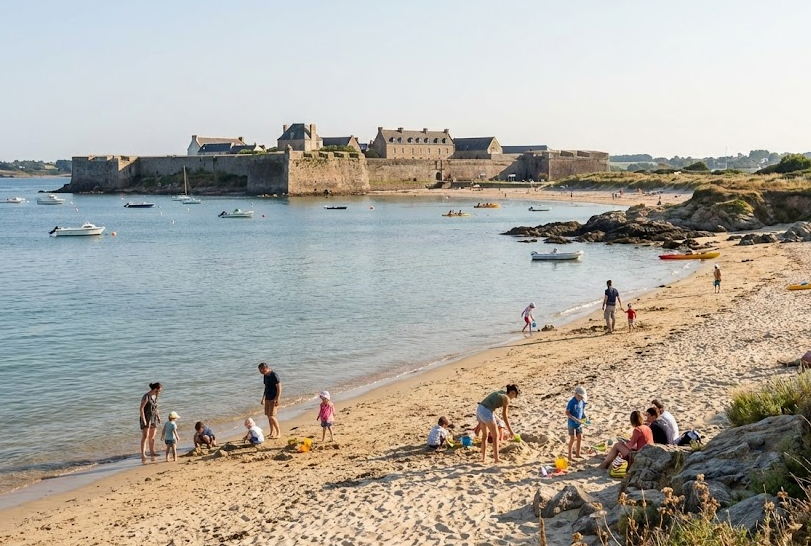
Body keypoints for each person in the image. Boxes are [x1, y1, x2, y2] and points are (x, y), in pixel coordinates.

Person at [476, 385, 519, 463]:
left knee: (484, 436)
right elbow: (505, 416)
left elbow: (490, 404)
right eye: (515, 396)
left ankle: (483, 458)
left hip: (480, 409)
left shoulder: (501, 392)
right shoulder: (506, 398)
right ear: (512, 393)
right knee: (496, 435)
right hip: (486, 411)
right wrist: (511, 431)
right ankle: (496, 459)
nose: (514, 398)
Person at [139, 382, 162, 462]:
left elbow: (156, 407)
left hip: (154, 418)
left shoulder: (155, 396)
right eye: (159, 390)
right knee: (145, 436)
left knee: (152, 437)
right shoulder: (146, 397)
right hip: (146, 418)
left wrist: (158, 416)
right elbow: (141, 409)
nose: (160, 392)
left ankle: (152, 452)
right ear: (156, 389)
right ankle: (143, 454)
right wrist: (144, 420)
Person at [258, 362, 281, 439]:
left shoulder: (274, 375)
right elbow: (266, 387)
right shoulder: (265, 376)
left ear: (266, 368)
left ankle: (278, 433)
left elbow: (279, 387)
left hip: (273, 398)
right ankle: (272, 432)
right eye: (260, 370)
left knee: (272, 416)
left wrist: (277, 398)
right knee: (268, 416)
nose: (261, 372)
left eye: (262, 370)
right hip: (267, 398)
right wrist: (263, 398)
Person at [565, 386, 588, 463]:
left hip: (579, 423)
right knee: (572, 439)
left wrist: (586, 418)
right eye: (579, 396)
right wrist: (575, 420)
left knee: (580, 437)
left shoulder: (582, 402)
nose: (580, 398)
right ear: (575, 394)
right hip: (572, 424)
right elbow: (567, 413)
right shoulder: (571, 402)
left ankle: (578, 454)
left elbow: (582, 410)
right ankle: (570, 456)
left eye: (582, 397)